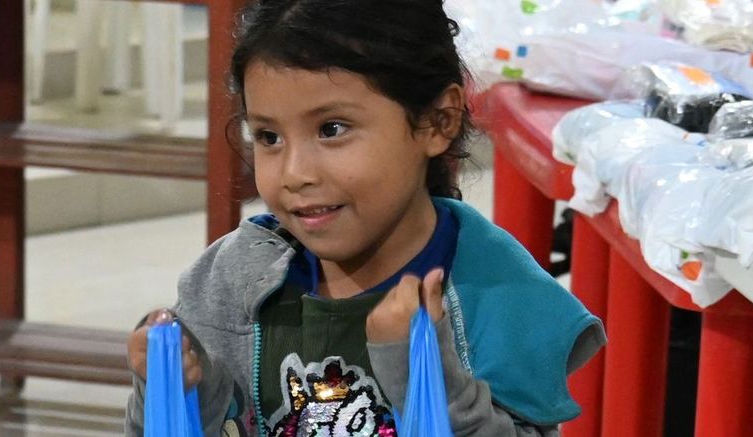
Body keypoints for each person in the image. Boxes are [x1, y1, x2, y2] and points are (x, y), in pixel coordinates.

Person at [125, 0, 606, 435]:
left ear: (438, 121)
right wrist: (180, 390)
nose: (294, 174)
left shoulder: (501, 299)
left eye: (332, 129)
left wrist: (422, 372)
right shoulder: (233, 280)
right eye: (269, 137)